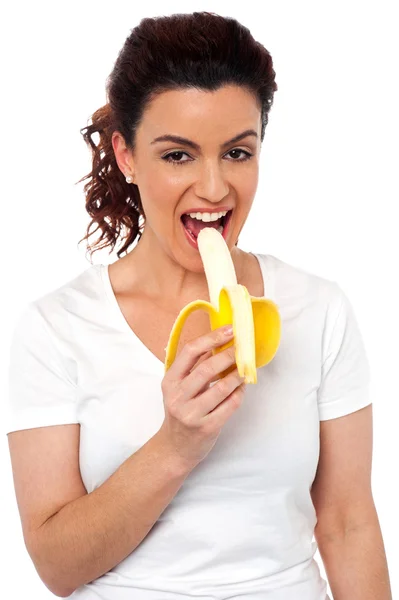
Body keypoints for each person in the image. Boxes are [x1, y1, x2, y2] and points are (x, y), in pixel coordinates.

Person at [5, 11, 392, 600]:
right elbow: (57, 568)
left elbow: (347, 524)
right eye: (178, 155)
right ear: (127, 156)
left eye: (237, 153)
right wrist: (176, 444)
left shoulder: (318, 310)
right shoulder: (55, 328)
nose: (213, 189)